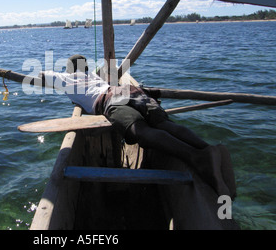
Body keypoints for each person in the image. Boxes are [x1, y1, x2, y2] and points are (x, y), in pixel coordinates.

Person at [39, 54, 236, 199]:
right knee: (163, 123)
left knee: (140, 131)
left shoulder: (64, 79)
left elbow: (40, 75)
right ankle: (207, 148)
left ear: (69, 68)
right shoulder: (93, 75)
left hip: (110, 100)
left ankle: (198, 158)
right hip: (131, 90)